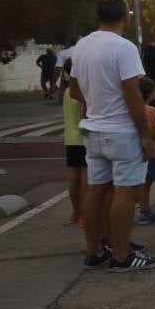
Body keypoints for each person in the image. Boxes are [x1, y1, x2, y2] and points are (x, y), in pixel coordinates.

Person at [70, 0, 155, 272]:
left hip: (93, 129)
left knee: (95, 190)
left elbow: (75, 90)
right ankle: (122, 256)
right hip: (122, 131)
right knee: (125, 192)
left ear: (98, 15)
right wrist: (145, 135)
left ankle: (95, 251)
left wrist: (96, 100)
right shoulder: (123, 47)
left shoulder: (82, 45)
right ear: (126, 15)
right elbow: (133, 95)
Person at [134, 77, 155, 226]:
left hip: (139, 151)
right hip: (154, 150)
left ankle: (144, 212)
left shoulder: (132, 109)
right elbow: (154, 132)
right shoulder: (150, 110)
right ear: (151, 93)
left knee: (145, 182)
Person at [63, 75, 87, 226]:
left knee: (74, 176)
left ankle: (76, 212)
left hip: (70, 138)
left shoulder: (67, 91)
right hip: (83, 138)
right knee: (86, 176)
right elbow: (83, 115)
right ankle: (85, 214)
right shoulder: (82, 91)